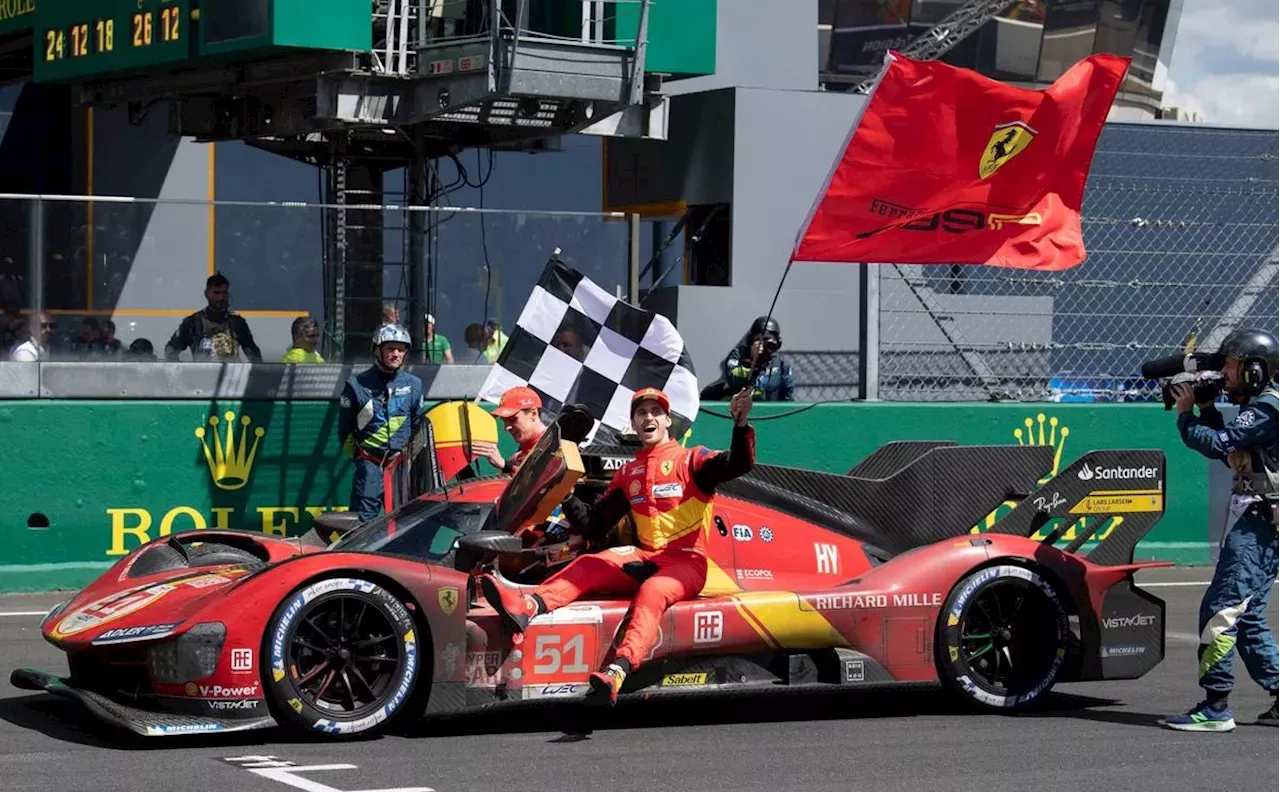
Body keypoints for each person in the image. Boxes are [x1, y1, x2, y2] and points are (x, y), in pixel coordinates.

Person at [479, 385, 756, 706]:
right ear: (635, 424)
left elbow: (739, 463)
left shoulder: (693, 460)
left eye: (656, 412)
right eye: (641, 413)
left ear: (668, 421)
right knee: (592, 562)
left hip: (687, 563)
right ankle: (528, 606)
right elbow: (594, 527)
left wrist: (739, 424)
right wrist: (564, 494)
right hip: (646, 556)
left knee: (653, 591)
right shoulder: (629, 473)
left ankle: (618, 670)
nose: (648, 417)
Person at [1162, 328, 1280, 732]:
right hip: (1264, 522)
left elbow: (1219, 444)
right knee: (1246, 617)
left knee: (1221, 611)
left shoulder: (1268, 409)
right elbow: (1232, 445)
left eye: (1230, 367)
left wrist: (1186, 415)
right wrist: (1208, 408)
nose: (1224, 374)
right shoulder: (1265, 406)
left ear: (1253, 371)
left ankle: (1216, 706)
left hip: (1261, 525)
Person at [338, 324, 425, 521]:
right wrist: (361, 460)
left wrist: (408, 461)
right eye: (390, 348)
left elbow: (417, 426)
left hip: (401, 469)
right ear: (377, 350)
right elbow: (345, 432)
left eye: (401, 349)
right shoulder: (355, 385)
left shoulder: (414, 384)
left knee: (405, 526)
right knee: (360, 525)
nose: (396, 354)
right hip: (370, 466)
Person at [164, 273, 262, 362]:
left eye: (224, 293)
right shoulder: (192, 323)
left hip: (232, 377)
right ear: (206, 294)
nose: (221, 298)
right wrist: (180, 374)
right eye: (216, 293)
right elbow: (171, 350)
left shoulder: (237, 323)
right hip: (202, 378)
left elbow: (254, 356)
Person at [476, 386, 547, 475]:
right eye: (504, 421)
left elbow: (543, 483)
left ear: (533, 413)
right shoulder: (516, 458)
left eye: (512, 419)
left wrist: (505, 466)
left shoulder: (555, 448)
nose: (506, 427)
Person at [722, 316, 795, 401]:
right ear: (751, 340)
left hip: (770, 411)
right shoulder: (739, 354)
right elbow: (733, 379)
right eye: (761, 340)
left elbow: (788, 395)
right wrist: (752, 363)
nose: (765, 345)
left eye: (770, 341)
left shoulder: (781, 363)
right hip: (740, 408)